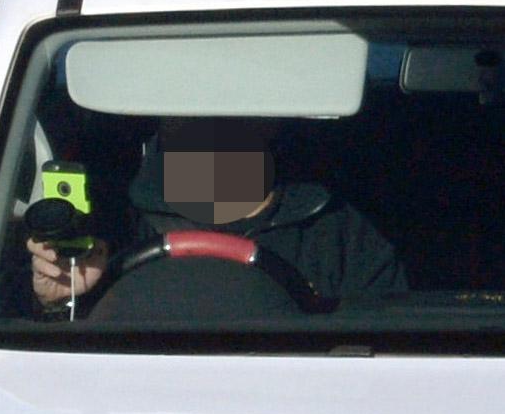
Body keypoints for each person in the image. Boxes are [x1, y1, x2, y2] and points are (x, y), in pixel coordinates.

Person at [27, 118, 407, 313]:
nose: (210, 122)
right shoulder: (110, 224)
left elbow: (382, 357)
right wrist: (59, 302)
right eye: (188, 107)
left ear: (271, 119)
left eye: (233, 107)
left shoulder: (339, 232)